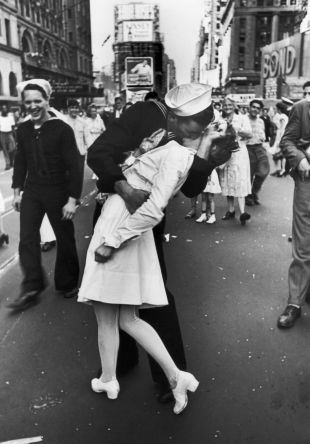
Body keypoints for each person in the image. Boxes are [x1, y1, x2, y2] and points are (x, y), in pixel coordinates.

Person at [79, 83, 230, 414]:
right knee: (121, 302)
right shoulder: (143, 113)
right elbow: (98, 153)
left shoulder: (196, 133)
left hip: (142, 220)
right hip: (120, 207)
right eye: (197, 121)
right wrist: (125, 188)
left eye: (205, 121)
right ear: (175, 114)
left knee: (146, 297)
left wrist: (205, 148)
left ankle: (167, 377)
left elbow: (191, 187)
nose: (201, 127)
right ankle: (123, 365)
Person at [8, 79, 83, 311]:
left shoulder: (62, 129)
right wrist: (16, 191)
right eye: (28, 102)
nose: (32, 106)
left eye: (37, 101)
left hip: (58, 189)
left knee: (64, 237)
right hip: (33, 190)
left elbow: (75, 165)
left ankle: (67, 282)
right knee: (28, 238)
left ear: (47, 101)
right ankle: (32, 285)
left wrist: (72, 199)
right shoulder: (23, 129)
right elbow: (20, 161)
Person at [277, 81, 310, 328]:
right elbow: (286, 141)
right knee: (303, 246)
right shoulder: (301, 108)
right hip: (307, 184)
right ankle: (295, 302)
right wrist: (299, 159)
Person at [218, 96, 252, 225]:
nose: (227, 107)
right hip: (226, 152)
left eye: (230, 105)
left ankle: (243, 212)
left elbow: (249, 134)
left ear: (234, 106)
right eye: (225, 105)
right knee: (228, 179)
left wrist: (235, 129)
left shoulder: (242, 118)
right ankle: (231, 210)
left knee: (240, 179)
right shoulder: (220, 119)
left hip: (239, 152)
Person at [246, 99, 269, 206]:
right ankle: (248, 195)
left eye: (258, 108)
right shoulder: (243, 119)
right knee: (248, 174)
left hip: (259, 148)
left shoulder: (261, 121)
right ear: (249, 107)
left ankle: (254, 192)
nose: (255, 109)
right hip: (247, 149)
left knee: (263, 172)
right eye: (253, 107)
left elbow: (263, 136)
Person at [65, 99, 87, 176]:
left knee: (79, 175)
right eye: (72, 107)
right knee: (67, 176)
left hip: (80, 153)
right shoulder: (63, 121)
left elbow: (87, 139)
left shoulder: (83, 122)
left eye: (76, 107)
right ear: (68, 109)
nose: (74, 110)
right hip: (66, 153)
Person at [270, 102, 289, 177]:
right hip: (283, 136)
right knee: (282, 154)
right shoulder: (285, 116)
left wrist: (280, 139)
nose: (276, 110)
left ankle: (282, 170)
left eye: (276, 108)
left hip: (281, 136)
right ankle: (282, 169)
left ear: (279, 109)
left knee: (281, 154)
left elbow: (282, 128)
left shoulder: (282, 116)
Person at [0, 105, 16, 170]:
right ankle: (8, 164)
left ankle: (11, 162)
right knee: (5, 150)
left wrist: (14, 135)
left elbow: (13, 127)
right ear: (1, 110)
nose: (4, 109)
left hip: (10, 133)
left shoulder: (10, 117)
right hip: (2, 134)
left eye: (5, 108)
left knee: (12, 149)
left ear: (7, 109)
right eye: (3, 108)